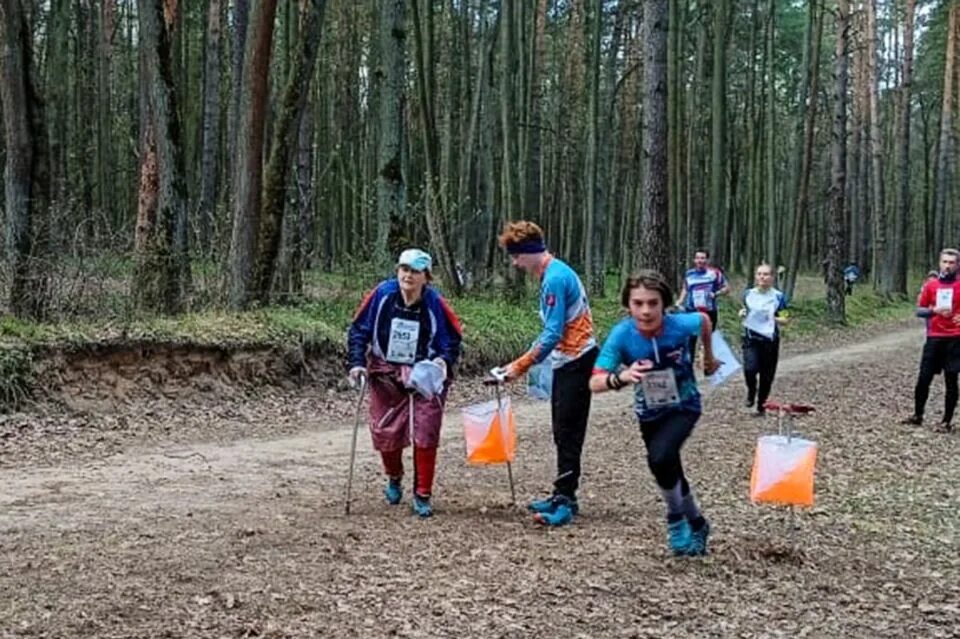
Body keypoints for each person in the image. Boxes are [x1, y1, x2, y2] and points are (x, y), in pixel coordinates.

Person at [589, 270, 720, 556]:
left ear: (665, 305)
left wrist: (708, 358)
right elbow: (594, 381)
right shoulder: (622, 335)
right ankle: (697, 523)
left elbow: (705, 321)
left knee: (661, 457)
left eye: (653, 303)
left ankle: (675, 519)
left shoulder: (680, 325)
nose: (646, 311)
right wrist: (621, 377)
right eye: (638, 303)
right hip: (649, 413)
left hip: (684, 405)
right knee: (667, 467)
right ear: (628, 306)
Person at [491, 221, 598, 527]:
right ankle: (562, 492)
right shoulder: (553, 274)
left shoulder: (554, 278)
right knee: (560, 429)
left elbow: (551, 334)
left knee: (568, 432)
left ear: (529, 252)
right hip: (566, 362)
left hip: (578, 361)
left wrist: (518, 366)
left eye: (516, 256)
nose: (514, 263)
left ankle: (565, 499)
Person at [347, 249, 463, 517]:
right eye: (404, 269)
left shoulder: (434, 303)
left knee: (426, 429)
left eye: (415, 271)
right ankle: (394, 476)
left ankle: (422, 493)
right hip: (385, 368)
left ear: (426, 277)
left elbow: (451, 338)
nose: (408, 276)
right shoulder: (382, 295)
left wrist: (443, 361)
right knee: (384, 429)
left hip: (425, 372)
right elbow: (359, 329)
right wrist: (356, 362)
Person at [902, 249, 960, 434]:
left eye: (951, 262)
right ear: (939, 263)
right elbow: (919, 311)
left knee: (951, 380)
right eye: (945, 262)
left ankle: (946, 421)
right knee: (923, 378)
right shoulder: (931, 285)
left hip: (955, 339)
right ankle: (918, 415)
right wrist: (934, 311)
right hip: (934, 337)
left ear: (957, 265)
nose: (948, 265)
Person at [739, 263, 789, 416]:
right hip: (751, 338)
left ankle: (761, 405)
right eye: (759, 274)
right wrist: (741, 313)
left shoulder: (779, 296)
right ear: (755, 276)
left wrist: (773, 318)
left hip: (769, 341)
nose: (762, 277)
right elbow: (744, 311)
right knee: (750, 369)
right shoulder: (748, 294)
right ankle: (751, 391)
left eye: (766, 274)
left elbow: (786, 318)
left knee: (767, 376)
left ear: (772, 277)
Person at [677, 249, 729, 353]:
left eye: (702, 258)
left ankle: (708, 366)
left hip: (709, 311)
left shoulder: (715, 273)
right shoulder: (689, 274)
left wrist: (715, 294)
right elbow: (686, 288)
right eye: (697, 258)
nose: (700, 260)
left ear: (707, 260)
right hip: (691, 310)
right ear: (694, 260)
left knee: (709, 341)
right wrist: (680, 300)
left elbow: (726, 288)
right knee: (690, 340)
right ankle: (689, 366)